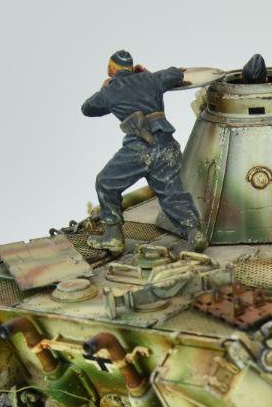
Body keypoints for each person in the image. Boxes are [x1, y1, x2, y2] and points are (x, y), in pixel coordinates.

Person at [81, 50, 204, 254]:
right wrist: (147, 74)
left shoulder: (111, 91)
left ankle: (113, 237)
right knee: (172, 193)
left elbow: (88, 109)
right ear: (132, 67)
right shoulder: (151, 79)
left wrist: (105, 88)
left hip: (139, 149)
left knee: (105, 183)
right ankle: (194, 233)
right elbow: (176, 73)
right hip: (167, 146)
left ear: (111, 70)